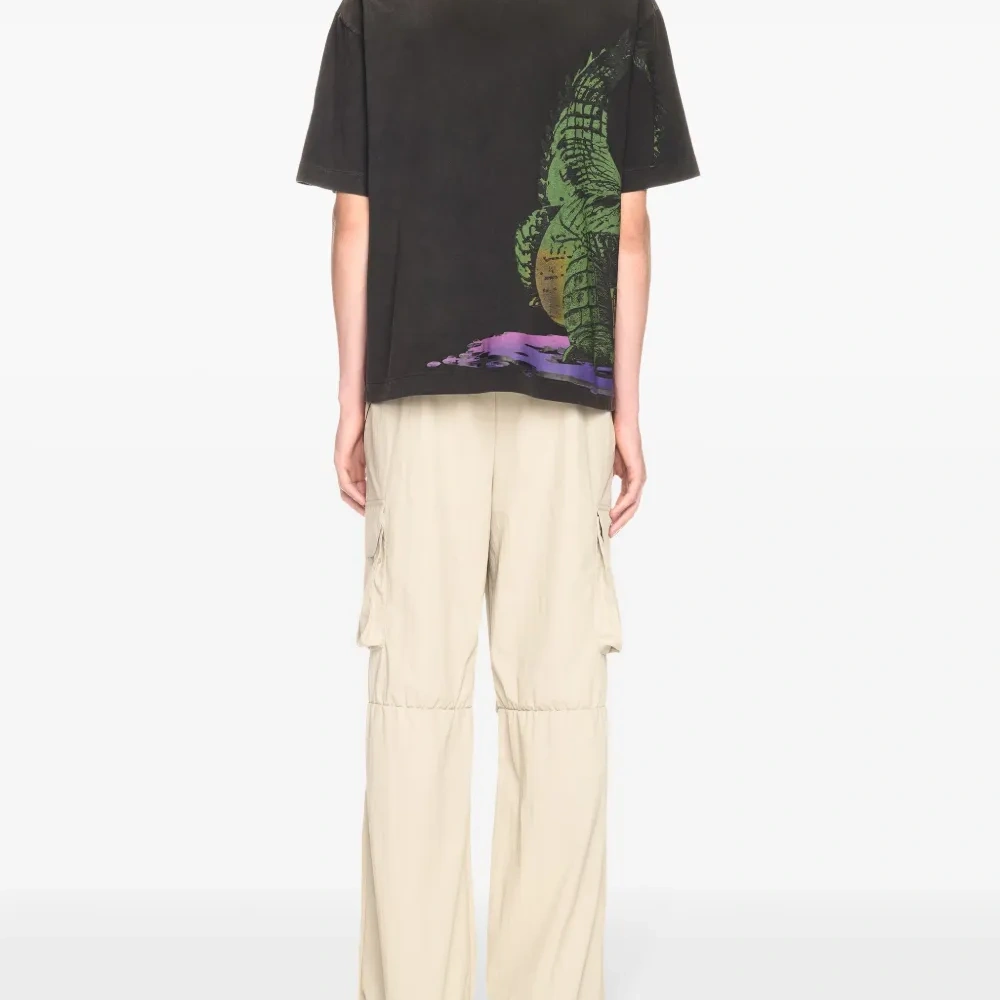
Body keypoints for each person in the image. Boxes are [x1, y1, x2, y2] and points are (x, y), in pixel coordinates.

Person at [296, 0, 697, 995]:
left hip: (414, 394)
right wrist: (626, 409)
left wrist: (350, 401)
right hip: (567, 402)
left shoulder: (373, 11)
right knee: (558, 703)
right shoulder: (620, 10)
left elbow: (353, 217)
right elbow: (630, 229)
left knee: (414, 703)